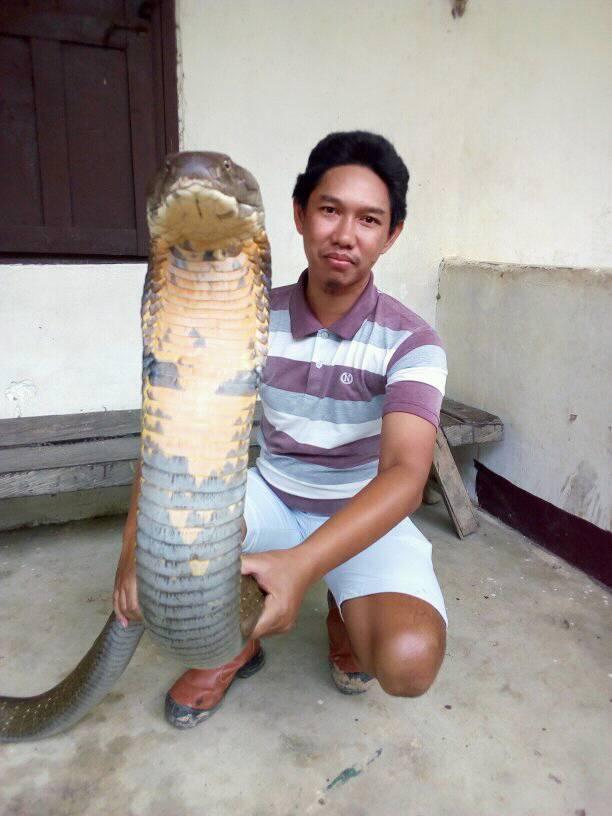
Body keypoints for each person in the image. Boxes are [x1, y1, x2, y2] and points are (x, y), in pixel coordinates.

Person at [114, 130, 448, 729]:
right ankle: (232, 647)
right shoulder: (254, 310)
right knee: (175, 557)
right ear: (299, 214)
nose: (345, 234)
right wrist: (130, 552)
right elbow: (171, 438)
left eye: (369, 220)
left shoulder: (413, 340)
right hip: (273, 492)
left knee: (409, 660)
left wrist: (303, 565)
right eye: (329, 210)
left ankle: (341, 611)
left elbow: (404, 476)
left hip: (360, 508)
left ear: (391, 234)